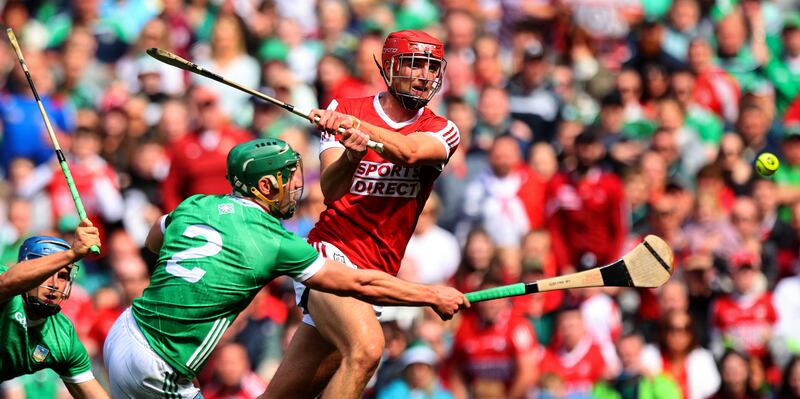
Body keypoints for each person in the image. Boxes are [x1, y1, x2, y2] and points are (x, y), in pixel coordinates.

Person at [103, 138, 468, 399]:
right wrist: (430, 294)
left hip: (125, 332)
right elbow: (358, 282)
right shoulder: (274, 240)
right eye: (290, 177)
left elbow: (154, 239)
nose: (297, 186)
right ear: (265, 185)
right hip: (161, 365)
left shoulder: (195, 204)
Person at [265, 30, 460, 399]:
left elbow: (409, 153)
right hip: (330, 253)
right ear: (389, 67)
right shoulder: (348, 109)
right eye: (414, 64)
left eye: (432, 67)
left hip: (377, 270)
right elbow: (332, 190)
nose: (425, 75)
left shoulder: (441, 130)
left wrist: (356, 129)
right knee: (367, 349)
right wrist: (352, 153)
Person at [0, 223, 109, 399]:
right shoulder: (5, 286)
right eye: (46, 273)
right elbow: (8, 282)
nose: (54, 284)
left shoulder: (63, 338)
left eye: (63, 276)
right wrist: (72, 253)